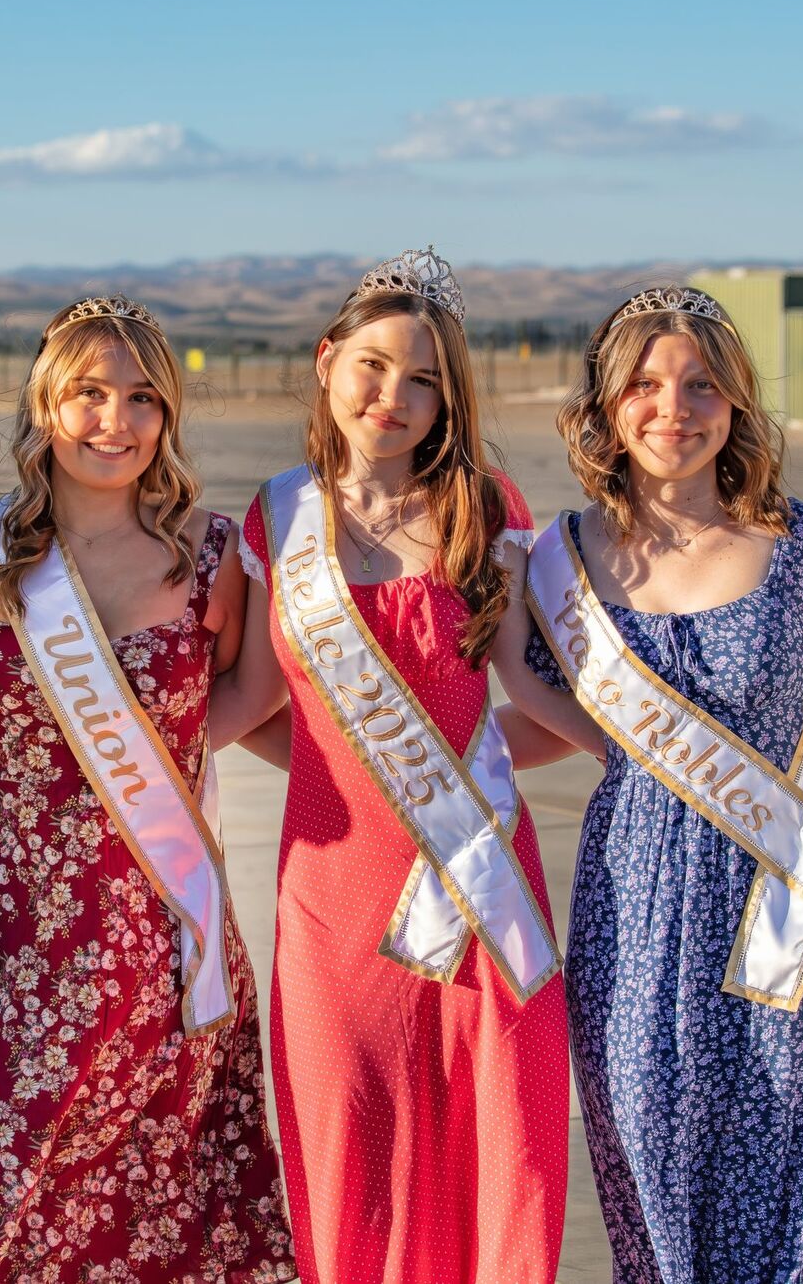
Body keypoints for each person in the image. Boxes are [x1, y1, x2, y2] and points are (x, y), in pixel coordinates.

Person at [495, 285, 803, 1281]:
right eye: (645, 383)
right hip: (631, 919)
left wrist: (786, 814)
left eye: (701, 384)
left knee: (801, 1203)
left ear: (737, 400)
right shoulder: (559, 561)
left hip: (782, 911)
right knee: (655, 1191)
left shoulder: (798, 543)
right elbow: (566, 727)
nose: (673, 407)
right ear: (607, 403)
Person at [218, 248, 570, 1282]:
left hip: (476, 882)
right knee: (349, 1155)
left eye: (423, 378)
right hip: (332, 902)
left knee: (498, 1148)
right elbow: (247, 703)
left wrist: (592, 750)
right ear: (327, 360)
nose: (393, 396)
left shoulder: (484, 507)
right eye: (373, 365)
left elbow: (535, 700)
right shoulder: (278, 516)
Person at [0, 294, 294, 1281]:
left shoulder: (211, 555)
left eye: (142, 397)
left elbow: (247, 692)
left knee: (172, 1220)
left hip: (165, 936)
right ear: (44, 402)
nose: (115, 420)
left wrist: (159, 758)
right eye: (89, 392)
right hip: (23, 946)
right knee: (21, 1215)